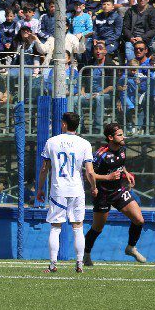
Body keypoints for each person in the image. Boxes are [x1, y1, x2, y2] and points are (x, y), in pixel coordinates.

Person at [36, 112, 98, 273]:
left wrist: (40, 188)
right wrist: (94, 187)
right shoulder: (84, 143)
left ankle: (53, 264)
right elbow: (90, 172)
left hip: (58, 190)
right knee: (78, 227)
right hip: (76, 190)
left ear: (63, 124)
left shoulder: (52, 142)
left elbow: (44, 169)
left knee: (55, 227)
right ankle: (79, 264)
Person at [83, 122, 148, 266]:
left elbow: (120, 164)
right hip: (102, 195)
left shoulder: (122, 149)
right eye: (120, 135)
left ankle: (131, 247)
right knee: (97, 228)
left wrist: (126, 173)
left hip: (118, 191)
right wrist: (107, 177)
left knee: (139, 220)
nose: (123, 136)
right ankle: (86, 253)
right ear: (110, 137)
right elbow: (89, 174)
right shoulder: (101, 155)